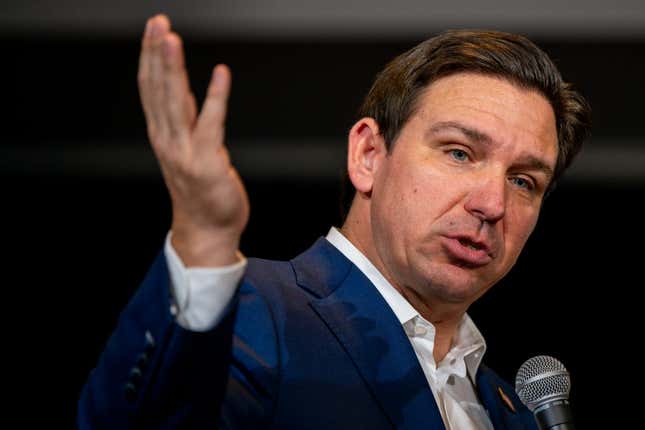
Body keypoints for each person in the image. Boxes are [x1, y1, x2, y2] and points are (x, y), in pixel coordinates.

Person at [78, 14, 591, 430]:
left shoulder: (513, 409)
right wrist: (203, 241)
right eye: (459, 153)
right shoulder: (255, 312)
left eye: (524, 181)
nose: (492, 204)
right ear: (368, 154)